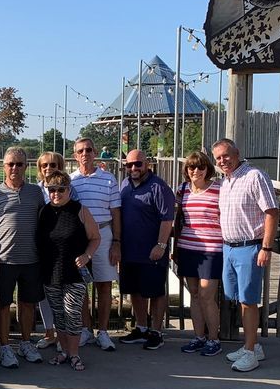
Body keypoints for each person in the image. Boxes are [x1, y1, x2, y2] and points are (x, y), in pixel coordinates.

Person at [212, 138, 279, 372]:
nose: (223, 161)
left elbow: (271, 212)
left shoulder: (254, 176)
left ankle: (250, 351)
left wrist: (266, 247)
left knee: (248, 301)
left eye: (226, 156)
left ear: (237, 153)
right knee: (235, 296)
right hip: (229, 247)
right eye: (218, 158)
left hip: (249, 247)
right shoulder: (225, 181)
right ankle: (253, 344)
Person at [0, 147, 45, 368]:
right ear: (4, 167)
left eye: (19, 164)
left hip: (31, 259)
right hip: (4, 259)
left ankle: (26, 342)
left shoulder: (35, 192)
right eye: (11, 164)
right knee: (3, 305)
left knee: (28, 304)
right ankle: (4, 347)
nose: (15, 168)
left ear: (26, 167)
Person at [36, 170, 101, 371]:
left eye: (60, 189)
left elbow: (95, 237)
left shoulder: (80, 210)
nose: (56, 193)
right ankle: (63, 351)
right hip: (51, 272)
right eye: (52, 189)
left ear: (68, 190)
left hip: (75, 273)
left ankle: (74, 354)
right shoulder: (44, 212)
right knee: (58, 314)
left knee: (72, 314)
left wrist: (87, 256)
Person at [116, 150, 175, 350]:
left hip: (152, 251)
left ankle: (156, 331)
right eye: (129, 164)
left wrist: (160, 245)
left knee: (156, 292)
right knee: (135, 291)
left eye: (138, 164)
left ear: (147, 164)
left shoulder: (159, 187)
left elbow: (167, 220)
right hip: (129, 250)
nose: (133, 168)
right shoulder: (124, 185)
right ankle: (141, 328)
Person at [70, 137, 121, 352]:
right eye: (80, 151)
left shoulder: (109, 179)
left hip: (104, 233)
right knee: (81, 286)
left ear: (95, 152)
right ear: (75, 155)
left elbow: (116, 213)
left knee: (104, 285)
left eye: (88, 150)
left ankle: (103, 331)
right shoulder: (70, 181)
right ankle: (85, 330)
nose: (85, 154)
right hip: (80, 238)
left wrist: (117, 242)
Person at [173, 151, 225, 357]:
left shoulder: (219, 189)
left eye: (201, 167)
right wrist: (176, 247)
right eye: (192, 167)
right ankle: (199, 336)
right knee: (194, 294)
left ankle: (214, 338)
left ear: (208, 169)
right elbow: (178, 220)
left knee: (206, 295)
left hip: (212, 248)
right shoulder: (182, 190)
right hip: (187, 246)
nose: (196, 171)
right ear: (186, 170)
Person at [34, 151, 68, 350]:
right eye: (44, 165)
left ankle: (64, 334)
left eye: (53, 165)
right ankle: (49, 333)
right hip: (43, 249)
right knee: (45, 293)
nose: (49, 168)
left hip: (64, 248)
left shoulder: (67, 189)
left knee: (64, 293)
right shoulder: (36, 191)